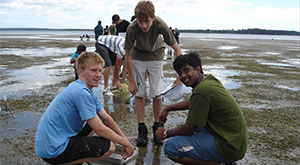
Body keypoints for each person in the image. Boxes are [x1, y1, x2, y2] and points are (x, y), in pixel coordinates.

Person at [35, 52, 134, 165]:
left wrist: (124, 139)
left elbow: (106, 118)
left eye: (100, 70)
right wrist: (125, 142)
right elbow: (99, 129)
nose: (98, 74)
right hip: (52, 150)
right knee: (109, 147)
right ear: (80, 71)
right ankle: (71, 163)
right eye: (93, 70)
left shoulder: (85, 90)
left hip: (53, 142)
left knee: (98, 118)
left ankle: (76, 159)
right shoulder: (81, 92)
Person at [156, 53, 248, 164]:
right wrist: (168, 108)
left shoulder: (202, 91)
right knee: (199, 125)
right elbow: (193, 101)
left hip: (229, 147)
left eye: (186, 70)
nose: (183, 76)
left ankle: (221, 163)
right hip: (235, 141)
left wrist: (165, 134)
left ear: (198, 69)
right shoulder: (209, 81)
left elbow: (189, 128)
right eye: (179, 73)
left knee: (171, 148)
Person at [124, 0, 181, 146]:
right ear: (136, 19)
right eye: (140, 21)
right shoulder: (132, 28)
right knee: (139, 92)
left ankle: (157, 127)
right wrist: (131, 81)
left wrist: (180, 75)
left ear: (153, 18)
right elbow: (128, 56)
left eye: (147, 21)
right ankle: (141, 129)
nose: (143, 25)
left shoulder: (160, 24)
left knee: (156, 93)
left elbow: (177, 49)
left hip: (156, 56)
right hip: (137, 57)